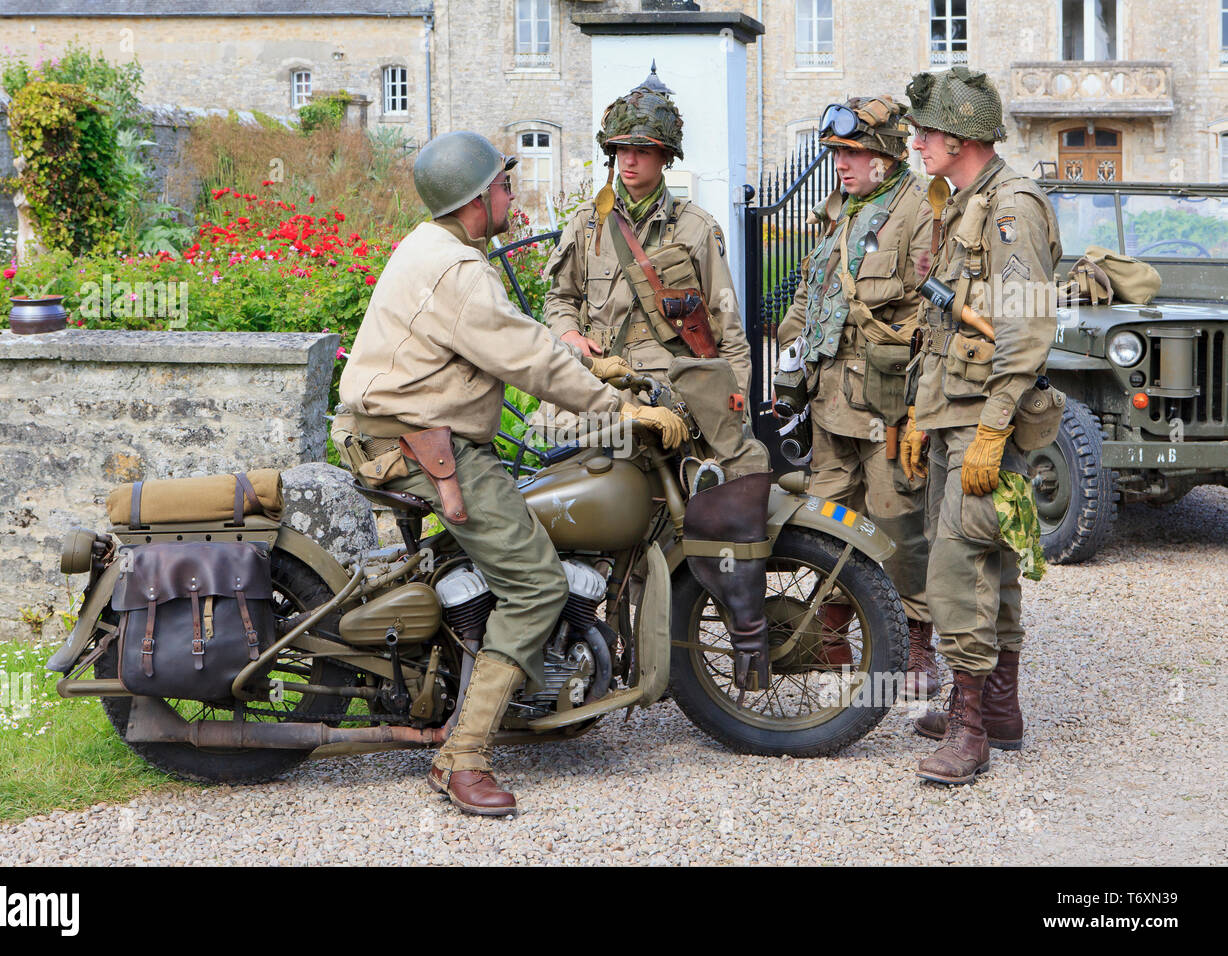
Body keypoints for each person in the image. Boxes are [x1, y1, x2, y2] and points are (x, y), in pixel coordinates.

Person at [336, 130, 689, 815]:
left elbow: (519, 341)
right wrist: (616, 406)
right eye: (503, 184)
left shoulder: (440, 247)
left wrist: (594, 366)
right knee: (532, 584)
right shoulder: (460, 271)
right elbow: (526, 360)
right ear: (475, 199)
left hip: (409, 432)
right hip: (421, 444)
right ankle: (461, 757)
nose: (513, 194)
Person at [543, 66, 773, 694]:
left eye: (642, 151)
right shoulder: (587, 227)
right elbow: (558, 300)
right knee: (598, 527)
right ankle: (599, 653)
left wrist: (735, 402)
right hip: (597, 401)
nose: (628, 163)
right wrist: (568, 334)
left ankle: (666, 661)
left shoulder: (695, 229)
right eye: (620, 150)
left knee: (673, 529)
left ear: (665, 158)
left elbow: (727, 326)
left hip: (672, 404)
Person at [899, 67, 1061, 784]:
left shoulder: (1009, 206)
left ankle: (970, 728)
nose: (915, 141)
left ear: (961, 136)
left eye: (925, 131)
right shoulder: (963, 201)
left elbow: (1025, 327)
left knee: (961, 563)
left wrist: (993, 427)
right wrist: (918, 411)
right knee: (983, 551)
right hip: (954, 409)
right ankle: (999, 709)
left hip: (984, 416)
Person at [776, 96, 938, 695]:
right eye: (837, 152)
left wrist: (924, 404)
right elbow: (809, 294)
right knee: (825, 519)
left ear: (888, 154)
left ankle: (918, 641)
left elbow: (932, 306)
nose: (840, 163)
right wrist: (788, 361)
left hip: (888, 400)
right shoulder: (839, 209)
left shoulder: (921, 209)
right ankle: (832, 632)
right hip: (829, 397)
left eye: (852, 152)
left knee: (898, 521)